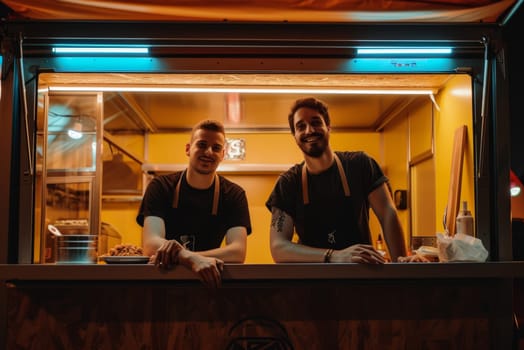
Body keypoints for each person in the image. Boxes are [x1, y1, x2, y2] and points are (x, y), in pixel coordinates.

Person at [265, 97, 427, 264]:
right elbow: (279, 248)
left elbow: (388, 214)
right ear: (294, 135)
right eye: (301, 126)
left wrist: (400, 263)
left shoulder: (360, 165)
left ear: (328, 127)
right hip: (312, 284)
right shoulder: (288, 183)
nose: (309, 130)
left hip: (361, 278)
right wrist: (335, 255)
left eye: (316, 122)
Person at [137, 119, 252, 287]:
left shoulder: (234, 195)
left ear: (223, 154)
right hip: (164, 282)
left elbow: (237, 252)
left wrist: (190, 258)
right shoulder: (160, 187)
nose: (209, 152)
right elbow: (151, 244)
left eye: (216, 148)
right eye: (202, 144)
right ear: (188, 149)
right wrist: (191, 259)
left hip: (209, 282)